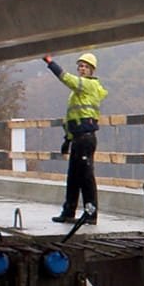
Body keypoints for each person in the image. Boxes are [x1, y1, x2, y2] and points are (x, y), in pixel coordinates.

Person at [43, 52, 106, 223]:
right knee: (74, 177)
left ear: (92, 70)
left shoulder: (87, 85)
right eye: (80, 66)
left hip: (86, 138)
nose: (82, 69)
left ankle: (90, 214)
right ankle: (69, 212)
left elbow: (66, 78)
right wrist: (68, 139)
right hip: (78, 138)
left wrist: (50, 63)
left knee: (86, 177)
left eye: (85, 66)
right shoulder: (78, 91)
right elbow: (73, 117)